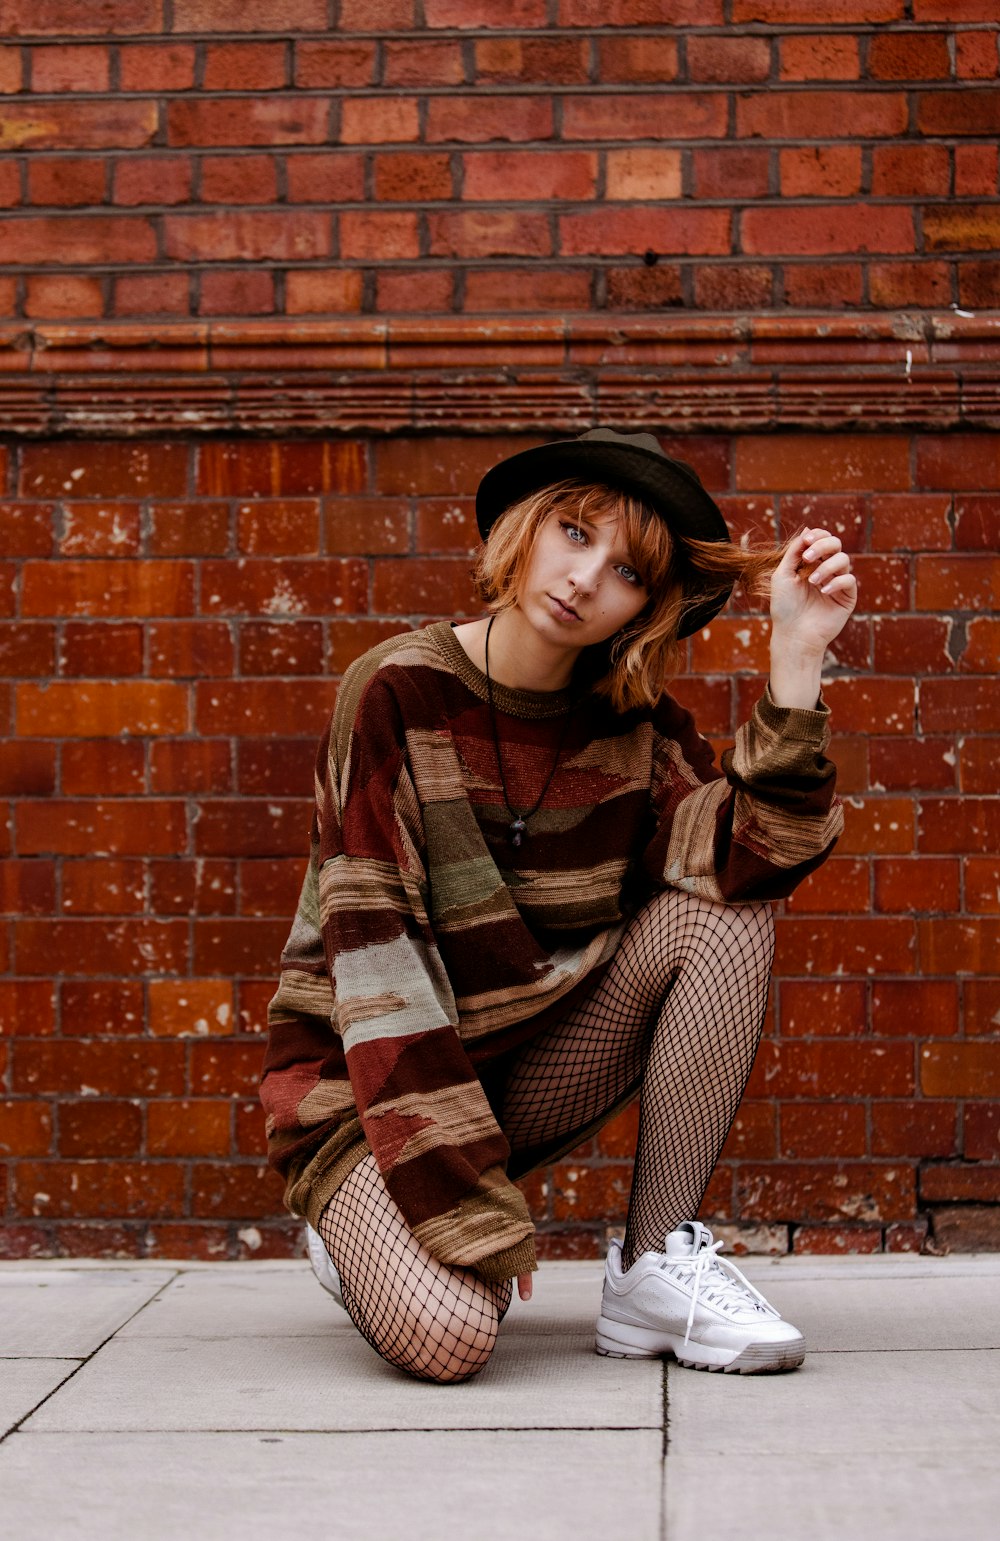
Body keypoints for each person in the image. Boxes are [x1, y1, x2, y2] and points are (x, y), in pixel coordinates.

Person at [261, 427, 856, 1384]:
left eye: (624, 569)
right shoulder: (394, 693)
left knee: (729, 905)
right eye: (574, 533)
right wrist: (464, 1208)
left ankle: (655, 1263)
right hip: (371, 1088)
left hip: (525, 1066)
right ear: (528, 528)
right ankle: (360, 1235)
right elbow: (382, 967)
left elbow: (758, 856)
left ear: (647, 606)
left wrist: (796, 651)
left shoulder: (637, 729)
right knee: (453, 1337)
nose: (584, 577)